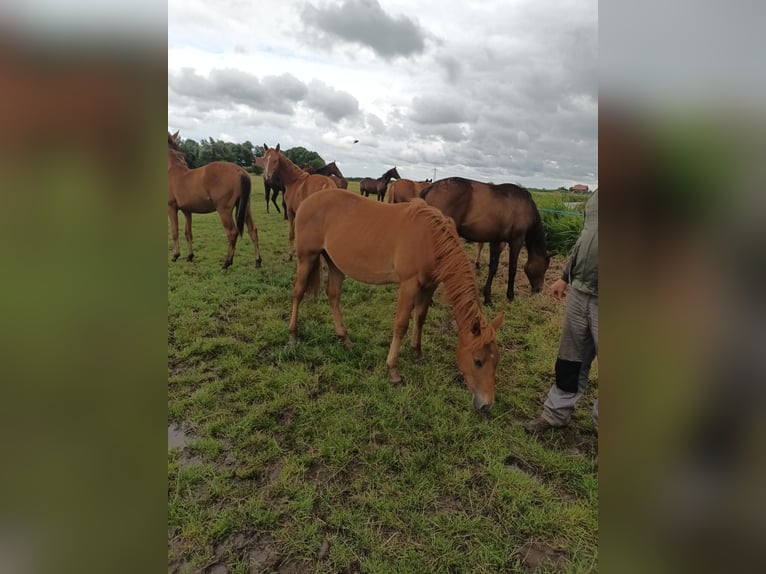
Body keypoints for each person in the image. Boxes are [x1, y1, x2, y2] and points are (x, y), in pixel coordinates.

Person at [525, 189, 598, 433]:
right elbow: (583, 239)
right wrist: (565, 276)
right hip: (580, 291)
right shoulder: (597, 196)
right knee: (570, 358)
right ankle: (556, 414)